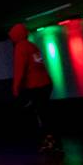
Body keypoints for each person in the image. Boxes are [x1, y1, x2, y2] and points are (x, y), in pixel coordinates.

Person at [9, 23, 61, 153]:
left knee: (41, 114)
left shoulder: (20, 47)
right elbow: (39, 64)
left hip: (35, 85)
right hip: (46, 83)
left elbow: (19, 68)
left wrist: (16, 87)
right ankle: (52, 140)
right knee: (45, 113)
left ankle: (50, 141)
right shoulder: (32, 46)